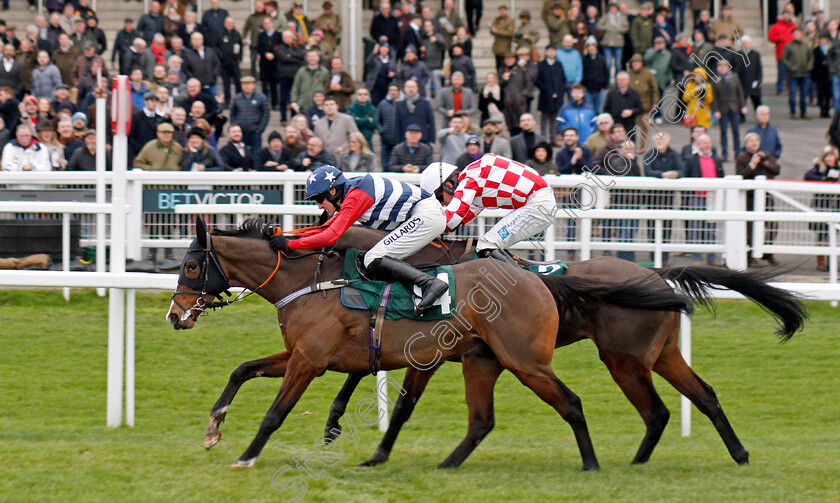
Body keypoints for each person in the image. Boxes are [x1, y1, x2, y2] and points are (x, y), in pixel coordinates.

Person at [268, 164, 448, 314]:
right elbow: (325, 229)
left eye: (319, 199)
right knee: (373, 257)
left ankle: (430, 284)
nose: (319, 206)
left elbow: (331, 236)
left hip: (426, 215)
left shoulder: (356, 196)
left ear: (332, 191)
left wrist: (291, 244)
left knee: (372, 258)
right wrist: (288, 237)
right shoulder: (351, 193)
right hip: (423, 214)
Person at [424, 153, 557, 264]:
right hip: (539, 201)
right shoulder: (472, 180)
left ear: (448, 185)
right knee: (490, 244)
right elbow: (460, 219)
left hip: (538, 204)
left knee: (486, 246)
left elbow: (451, 219)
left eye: (440, 199)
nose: (442, 204)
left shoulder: (469, 181)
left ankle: (524, 286)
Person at [736, 132, 781, 267]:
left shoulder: (765, 155)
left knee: (772, 225)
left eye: (756, 140)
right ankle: (749, 255)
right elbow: (740, 175)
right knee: (750, 228)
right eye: (751, 141)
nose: (754, 143)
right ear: (746, 144)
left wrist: (766, 162)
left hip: (766, 196)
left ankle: (767, 252)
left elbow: (776, 169)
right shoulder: (742, 158)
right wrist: (752, 165)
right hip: (750, 197)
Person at [684, 133, 724, 266]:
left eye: (709, 142)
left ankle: (711, 257)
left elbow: (721, 176)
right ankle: (697, 258)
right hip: (697, 197)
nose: (708, 145)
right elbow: (686, 178)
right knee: (695, 228)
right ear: (698, 145)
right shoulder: (691, 160)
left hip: (712, 197)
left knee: (710, 229)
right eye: (705, 143)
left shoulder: (717, 160)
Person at [805, 146, 840, 271]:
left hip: (836, 205)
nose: (829, 158)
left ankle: (833, 262)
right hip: (821, 204)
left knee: (835, 235)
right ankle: (821, 261)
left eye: (831, 155)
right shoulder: (819, 169)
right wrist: (824, 179)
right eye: (827, 156)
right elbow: (808, 176)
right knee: (822, 235)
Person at [710, 61, 747, 161]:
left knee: (736, 131)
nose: (722, 69)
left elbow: (739, 92)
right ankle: (725, 153)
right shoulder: (715, 79)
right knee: (723, 132)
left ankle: (737, 152)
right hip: (722, 108)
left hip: (734, 107)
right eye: (720, 67)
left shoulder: (734, 77)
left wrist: (743, 105)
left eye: (724, 67)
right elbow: (715, 97)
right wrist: (716, 110)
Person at [229, 76, 269, 158]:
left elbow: (266, 114)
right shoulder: (237, 98)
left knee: (256, 154)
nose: (247, 86)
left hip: (255, 131)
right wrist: (234, 126)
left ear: (254, 85)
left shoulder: (261, 97)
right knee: (241, 154)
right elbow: (233, 113)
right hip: (241, 132)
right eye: (244, 84)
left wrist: (260, 128)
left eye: (249, 84)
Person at [535, 44, 566, 139]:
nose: (551, 53)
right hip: (545, 96)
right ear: (545, 52)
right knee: (544, 118)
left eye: (553, 51)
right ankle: (543, 138)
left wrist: (559, 90)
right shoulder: (541, 65)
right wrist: (546, 89)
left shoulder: (558, 64)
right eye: (549, 51)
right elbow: (537, 80)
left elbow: (563, 79)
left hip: (557, 96)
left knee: (554, 118)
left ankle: (553, 137)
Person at [782, 27, 813, 120]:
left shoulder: (806, 46)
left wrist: (809, 66)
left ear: (801, 35)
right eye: (795, 34)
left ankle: (803, 112)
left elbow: (810, 57)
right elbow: (784, 58)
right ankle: (793, 112)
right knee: (792, 94)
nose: (797, 35)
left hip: (805, 74)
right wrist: (791, 67)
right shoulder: (788, 46)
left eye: (798, 33)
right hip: (793, 74)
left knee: (804, 95)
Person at [499, 52, 533, 135]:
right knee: (511, 126)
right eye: (506, 59)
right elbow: (499, 86)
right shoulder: (502, 71)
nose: (508, 61)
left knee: (522, 125)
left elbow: (529, 84)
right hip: (508, 104)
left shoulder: (522, 70)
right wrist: (503, 79)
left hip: (520, 103)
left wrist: (523, 96)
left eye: (511, 59)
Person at [393, 80, 435, 145]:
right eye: (408, 87)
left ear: (417, 89)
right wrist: (397, 142)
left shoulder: (425, 103)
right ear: (404, 89)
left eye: (413, 87)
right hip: (404, 142)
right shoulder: (399, 105)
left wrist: (432, 140)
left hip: (423, 141)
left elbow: (431, 122)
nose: (411, 89)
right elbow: (397, 125)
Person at [215, 16, 242, 109]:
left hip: (234, 62)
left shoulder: (237, 34)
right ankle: (227, 101)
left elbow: (240, 47)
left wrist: (239, 57)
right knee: (226, 83)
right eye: (228, 23)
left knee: (238, 82)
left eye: (231, 23)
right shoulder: (220, 34)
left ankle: (239, 100)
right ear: (225, 24)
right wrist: (221, 55)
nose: (230, 25)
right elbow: (215, 47)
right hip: (224, 63)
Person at [291, 49, 330, 114]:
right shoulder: (301, 71)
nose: (312, 58)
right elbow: (295, 86)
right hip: (303, 104)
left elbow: (327, 88)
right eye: (310, 56)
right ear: (307, 58)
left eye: (314, 56)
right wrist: (294, 101)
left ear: (318, 58)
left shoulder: (324, 72)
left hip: (319, 106)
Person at [183, 32, 221, 96]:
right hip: (197, 87)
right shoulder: (188, 54)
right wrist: (193, 78)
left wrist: (214, 75)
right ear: (191, 41)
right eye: (194, 39)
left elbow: (217, 64)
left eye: (198, 39)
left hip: (211, 84)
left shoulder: (210, 51)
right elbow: (185, 69)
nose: (196, 41)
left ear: (202, 40)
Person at [598, 2, 630, 78]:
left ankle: (617, 80)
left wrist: (619, 29)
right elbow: (598, 26)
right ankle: (608, 80)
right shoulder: (606, 17)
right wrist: (607, 28)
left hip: (618, 43)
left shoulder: (621, 17)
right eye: (611, 8)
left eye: (614, 8)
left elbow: (626, 28)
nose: (613, 10)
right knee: (608, 64)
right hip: (608, 43)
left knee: (618, 64)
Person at [769, 9, 796, 96]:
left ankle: (791, 88)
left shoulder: (793, 26)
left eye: (788, 15)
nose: (787, 16)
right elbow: (770, 37)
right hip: (781, 53)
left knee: (791, 72)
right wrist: (778, 39)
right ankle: (779, 88)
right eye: (785, 14)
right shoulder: (776, 26)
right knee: (781, 72)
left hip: (792, 54)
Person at [813, 31, 832, 119]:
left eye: (825, 39)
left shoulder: (831, 49)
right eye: (822, 39)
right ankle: (821, 108)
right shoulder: (816, 50)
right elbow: (814, 61)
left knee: (828, 94)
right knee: (820, 93)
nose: (823, 40)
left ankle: (827, 110)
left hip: (829, 74)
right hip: (820, 73)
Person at [491, 5, 515, 72]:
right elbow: (493, 29)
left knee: (504, 65)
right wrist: (492, 30)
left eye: (503, 10)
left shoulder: (509, 20)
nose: (501, 12)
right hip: (497, 46)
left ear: (506, 11)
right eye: (500, 11)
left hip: (505, 46)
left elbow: (510, 32)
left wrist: (497, 31)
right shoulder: (497, 19)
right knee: (498, 65)